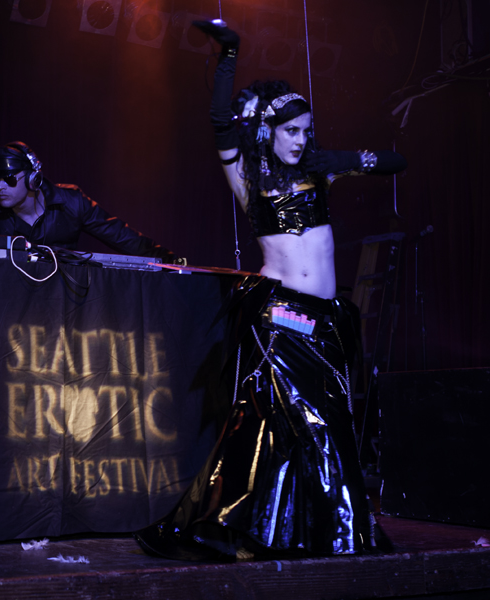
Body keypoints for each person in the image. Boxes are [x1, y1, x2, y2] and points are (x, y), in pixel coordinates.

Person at [134, 20, 407, 561]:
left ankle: (325, 535)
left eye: (308, 131)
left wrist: (344, 160)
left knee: (330, 429)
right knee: (290, 426)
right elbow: (219, 120)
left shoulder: (320, 172)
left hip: (325, 319)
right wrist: (230, 54)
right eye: (292, 132)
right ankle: (259, 533)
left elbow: (397, 162)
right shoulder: (248, 178)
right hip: (280, 317)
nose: (302, 140)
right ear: (269, 132)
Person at [0, 141, 178, 262]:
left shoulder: (71, 202)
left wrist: (170, 261)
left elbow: (121, 236)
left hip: (63, 303)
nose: (0, 187)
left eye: (9, 179)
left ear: (33, 178)